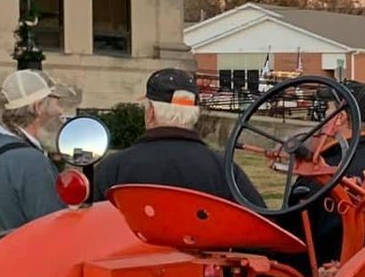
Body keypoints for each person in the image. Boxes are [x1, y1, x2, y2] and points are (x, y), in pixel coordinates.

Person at [92, 68, 261, 203]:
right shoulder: (225, 171)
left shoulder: (113, 169)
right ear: (195, 115)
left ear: (150, 112)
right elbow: (262, 229)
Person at [298, 80, 365, 264]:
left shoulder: (317, 176)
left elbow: (291, 241)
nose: (321, 117)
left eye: (326, 109)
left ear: (340, 118)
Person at [0, 69, 66, 233]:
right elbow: (54, 231)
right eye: (56, 103)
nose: (61, 111)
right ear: (37, 107)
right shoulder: (32, 162)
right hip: (29, 255)